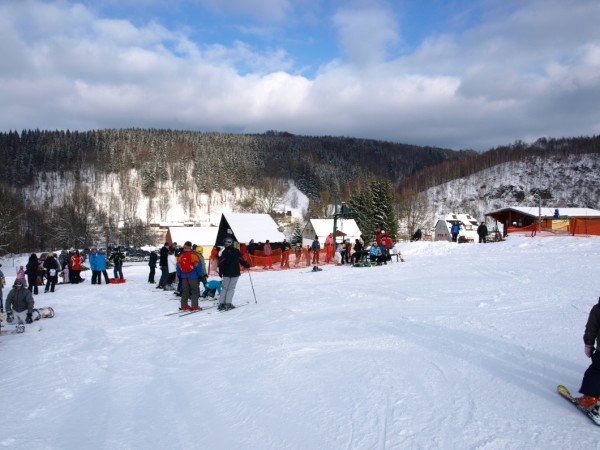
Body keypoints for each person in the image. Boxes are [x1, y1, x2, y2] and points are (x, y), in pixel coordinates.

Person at [576, 297, 600, 414]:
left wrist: (588, 344)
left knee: (596, 371)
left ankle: (589, 399)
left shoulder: (598, 309)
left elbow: (591, 329)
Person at [217, 236, 250, 311]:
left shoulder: (224, 252)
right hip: (235, 273)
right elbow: (241, 260)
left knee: (225, 288)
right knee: (231, 288)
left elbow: (221, 263)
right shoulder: (236, 251)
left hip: (226, 273)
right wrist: (246, 265)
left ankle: (222, 303)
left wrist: (221, 272)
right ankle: (228, 303)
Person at [176, 241, 203, 312]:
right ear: (190, 247)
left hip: (184, 276)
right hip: (193, 276)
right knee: (194, 291)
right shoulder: (194, 255)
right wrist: (199, 275)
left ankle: (184, 306)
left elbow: (178, 266)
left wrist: (179, 275)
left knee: (185, 291)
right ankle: (194, 306)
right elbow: (199, 267)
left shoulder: (181, 256)